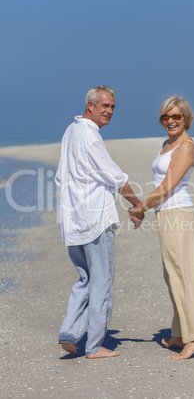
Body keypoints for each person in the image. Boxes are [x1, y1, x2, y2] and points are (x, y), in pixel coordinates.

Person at [55, 85, 143, 359]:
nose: (110, 111)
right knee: (101, 281)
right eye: (105, 106)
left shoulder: (71, 131)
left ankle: (70, 332)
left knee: (85, 278)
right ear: (90, 106)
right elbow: (115, 176)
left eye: (113, 107)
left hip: (73, 219)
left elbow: (60, 178)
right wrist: (137, 204)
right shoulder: (89, 136)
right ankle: (93, 346)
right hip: (95, 220)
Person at [129, 95, 194, 360]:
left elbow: (166, 187)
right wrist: (146, 208)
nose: (171, 121)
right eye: (166, 117)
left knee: (183, 275)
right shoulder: (167, 144)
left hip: (178, 213)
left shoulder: (186, 147)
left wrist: (140, 207)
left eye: (176, 116)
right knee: (171, 275)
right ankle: (180, 333)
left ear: (186, 118)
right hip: (166, 213)